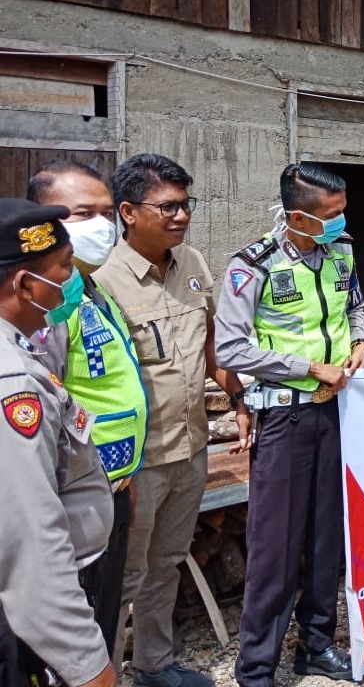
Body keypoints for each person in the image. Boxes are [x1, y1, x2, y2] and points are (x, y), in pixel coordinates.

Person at [215, 163, 364, 685]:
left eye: (342, 211)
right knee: (275, 547)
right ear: (298, 217)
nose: (339, 222)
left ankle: (317, 646)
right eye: (330, 215)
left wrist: (361, 342)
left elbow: (355, 307)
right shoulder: (251, 266)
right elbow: (232, 347)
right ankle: (256, 668)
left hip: (334, 411)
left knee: (329, 536)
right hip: (283, 416)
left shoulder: (341, 249)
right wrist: (308, 368)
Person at [93, 155, 241, 687]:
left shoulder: (193, 264)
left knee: (167, 563)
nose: (181, 217)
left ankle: (153, 666)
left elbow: (212, 347)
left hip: (190, 448)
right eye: (168, 207)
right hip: (136, 463)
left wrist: (241, 402)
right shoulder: (103, 284)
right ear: (129, 212)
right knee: (121, 576)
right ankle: (102, 675)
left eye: (186, 205)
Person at [27, 162, 150, 659]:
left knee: (102, 620)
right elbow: (42, 409)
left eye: (105, 212)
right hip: (69, 501)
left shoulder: (89, 290)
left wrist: (126, 475)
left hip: (110, 489)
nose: (101, 226)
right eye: (82, 213)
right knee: (69, 641)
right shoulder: (46, 307)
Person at [0, 198, 116, 687]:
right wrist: (87, 665)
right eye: (65, 269)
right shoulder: (13, 382)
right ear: (27, 285)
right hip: (18, 625)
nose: (74, 281)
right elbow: (30, 536)